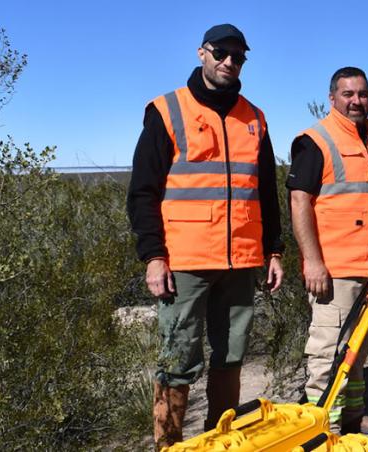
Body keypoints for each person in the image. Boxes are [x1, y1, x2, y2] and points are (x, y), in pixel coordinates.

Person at [126, 24, 284, 448]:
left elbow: (265, 192)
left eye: (238, 55)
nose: (229, 61)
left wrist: (274, 250)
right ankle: (170, 444)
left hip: (242, 261)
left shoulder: (255, 117)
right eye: (221, 52)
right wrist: (153, 256)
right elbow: (143, 191)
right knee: (177, 359)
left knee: (231, 356)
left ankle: (218, 441)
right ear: (202, 53)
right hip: (185, 263)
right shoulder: (167, 110)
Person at [286, 66, 368, 436]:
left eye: (363, 94)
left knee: (356, 350)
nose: (357, 101)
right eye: (348, 94)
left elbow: (360, 201)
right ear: (332, 98)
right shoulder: (315, 140)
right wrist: (313, 261)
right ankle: (323, 431)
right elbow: (299, 201)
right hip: (334, 268)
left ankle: (352, 415)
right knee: (328, 353)